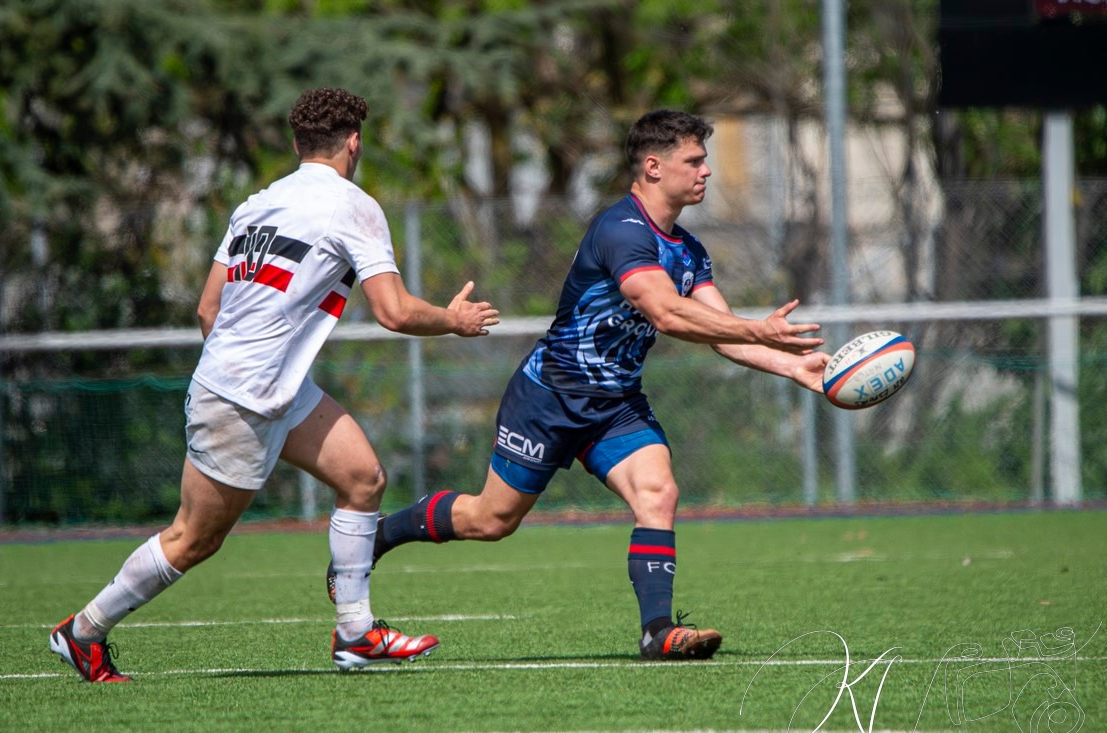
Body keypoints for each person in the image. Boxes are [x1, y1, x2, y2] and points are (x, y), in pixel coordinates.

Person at [329, 109, 829, 661]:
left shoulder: (689, 250)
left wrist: (794, 367)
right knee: (491, 520)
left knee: (658, 492)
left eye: (705, 159)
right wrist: (761, 328)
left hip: (614, 406)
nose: (706, 170)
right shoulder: (621, 230)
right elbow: (666, 313)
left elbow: (723, 335)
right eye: (695, 160)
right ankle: (378, 537)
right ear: (654, 167)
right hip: (549, 398)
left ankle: (657, 631)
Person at [48, 87, 500, 681]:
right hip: (245, 397)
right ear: (355, 142)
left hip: (257, 387)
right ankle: (83, 631)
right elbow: (392, 312)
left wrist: (256, 369)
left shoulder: (255, 204)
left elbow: (208, 309)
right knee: (193, 539)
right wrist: (455, 321)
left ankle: (357, 635)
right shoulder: (353, 205)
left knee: (364, 478)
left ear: (296, 144)